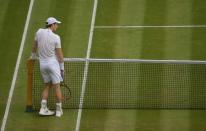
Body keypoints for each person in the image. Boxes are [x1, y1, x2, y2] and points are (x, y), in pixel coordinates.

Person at [31, 17, 64, 117]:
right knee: (57, 87)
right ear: (52, 25)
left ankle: (43, 108)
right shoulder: (56, 37)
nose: (57, 26)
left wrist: (32, 57)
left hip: (43, 65)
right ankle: (58, 111)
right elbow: (60, 55)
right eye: (56, 24)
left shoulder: (39, 32)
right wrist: (62, 68)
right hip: (53, 65)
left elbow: (34, 46)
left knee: (47, 86)